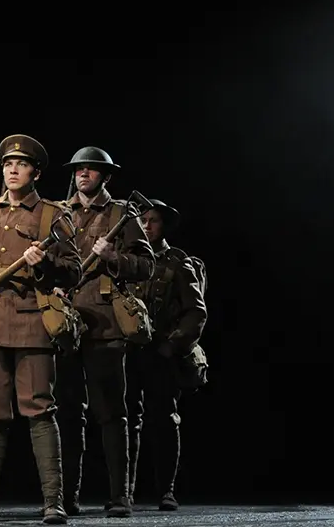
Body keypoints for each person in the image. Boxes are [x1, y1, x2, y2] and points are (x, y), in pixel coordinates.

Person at [0, 135, 82, 526]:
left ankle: (52, 502)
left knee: (40, 410)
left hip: (32, 324)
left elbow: (73, 271)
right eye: (8, 164)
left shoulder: (52, 215)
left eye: (21, 165)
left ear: (35, 172)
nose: (12, 170)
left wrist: (43, 265)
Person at [54, 147, 155, 517]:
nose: (83, 174)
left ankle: (119, 496)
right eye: (79, 169)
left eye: (91, 170)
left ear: (105, 177)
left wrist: (114, 257)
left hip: (105, 327)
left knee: (111, 414)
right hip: (66, 325)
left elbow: (147, 266)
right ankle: (66, 497)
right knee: (67, 413)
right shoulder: (60, 213)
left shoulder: (121, 215)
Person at [124, 199, 206, 512]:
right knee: (126, 421)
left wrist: (173, 345)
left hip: (162, 352)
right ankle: (124, 492)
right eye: (142, 220)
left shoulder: (177, 262)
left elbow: (196, 312)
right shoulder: (128, 258)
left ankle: (166, 490)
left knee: (164, 421)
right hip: (130, 350)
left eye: (153, 220)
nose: (146, 226)